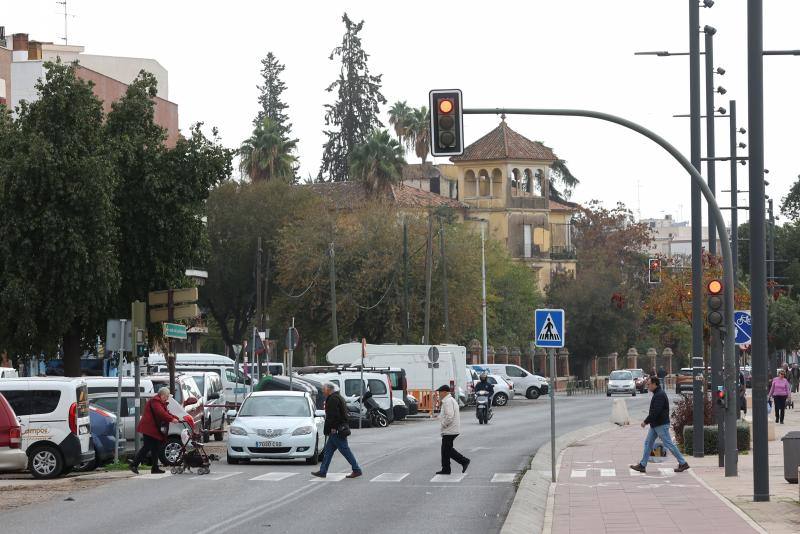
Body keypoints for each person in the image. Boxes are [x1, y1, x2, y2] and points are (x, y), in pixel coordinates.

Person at [630, 376, 689, 473]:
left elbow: (655, 412)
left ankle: (683, 463)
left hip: (660, 425)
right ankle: (642, 465)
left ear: (654, 384)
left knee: (669, 444)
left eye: (649, 384)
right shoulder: (657, 394)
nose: (647, 386)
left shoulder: (659, 395)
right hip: (656, 425)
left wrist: (645, 421)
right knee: (648, 443)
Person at [312, 382, 362, 479]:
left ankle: (356, 469)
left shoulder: (333, 399)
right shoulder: (338, 397)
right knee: (328, 451)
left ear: (328, 390)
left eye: (324, 389)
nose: (323, 391)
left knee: (345, 450)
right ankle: (323, 471)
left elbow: (334, 415)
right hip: (337, 429)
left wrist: (333, 428)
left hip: (336, 430)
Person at [129, 387, 178, 474]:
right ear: (162, 395)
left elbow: (166, 412)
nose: (167, 398)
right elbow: (161, 413)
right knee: (147, 447)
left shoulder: (160, 402)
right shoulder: (155, 402)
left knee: (155, 448)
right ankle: (134, 464)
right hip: (149, 428)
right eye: (166, 396)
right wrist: (171, 419)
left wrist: (176, 418)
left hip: (153, 429)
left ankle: (155, 468)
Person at [436, 384, 470, 475]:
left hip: (450, 430)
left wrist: (443, 425)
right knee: (445, 450)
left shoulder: (447, 401)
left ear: (444, 392)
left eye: (440, 392)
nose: (439, 394)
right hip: (451, 429)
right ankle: (446, 469)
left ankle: (464, 461)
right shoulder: (449, 400)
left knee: (447, 450)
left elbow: (449, 416)